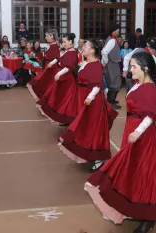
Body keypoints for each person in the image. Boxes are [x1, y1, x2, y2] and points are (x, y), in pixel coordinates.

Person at [85, 51, 156, 233]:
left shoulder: (149, 89)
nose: (130, 70)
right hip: (133, 130)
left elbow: (150, 116)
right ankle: (134, 206)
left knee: (145, 172)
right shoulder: (139, 84)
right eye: (131, 66)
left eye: (134, 67)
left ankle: (149, 217)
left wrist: (137, 132)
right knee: (132, 169)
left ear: (145, 68)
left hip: (142, 135)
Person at [57, 39, 119, 172]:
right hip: (84, 98)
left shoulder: (95, 65)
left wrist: (90, 97)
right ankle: (88, 152)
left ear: (92, 50)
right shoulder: (86, 62)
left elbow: (97, 85)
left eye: (86, 46)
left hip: (93, 102)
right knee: (86, 126)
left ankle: (98, 158)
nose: (83, 47)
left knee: (93, 128)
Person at [36, 33, 79, 125]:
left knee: (66, 101)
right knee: (62, 100)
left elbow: (69, 67)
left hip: (67, 80)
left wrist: (59, 73)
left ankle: (68, 120)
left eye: (64, 42)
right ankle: (64, 119)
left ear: (71, 42)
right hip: (63, 79)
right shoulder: (68, 51)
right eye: (62, 42)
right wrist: (53, 63)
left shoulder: (72, 53)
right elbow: (59, 59)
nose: (63, 44)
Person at [27, 29, 60, 101]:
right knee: (46, 85)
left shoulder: (54, 46)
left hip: (51, 69)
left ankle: (47, 102)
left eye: (47, 36)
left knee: (46, 85)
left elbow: (57, 58)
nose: (46, 37)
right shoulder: (52, 45)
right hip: (49, 68)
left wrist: (51, 63)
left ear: (52, 36)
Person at [102, 24, 122, 109]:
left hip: (113, 64)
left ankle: (112, 99)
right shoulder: (112, 41)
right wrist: (106, 62)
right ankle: (110, 102)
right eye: (118, 29)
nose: (119, 31)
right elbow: (104, 52)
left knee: (116, 82)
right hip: (111, 64)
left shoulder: (113, 39)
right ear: (114, 31)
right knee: (112, 83)